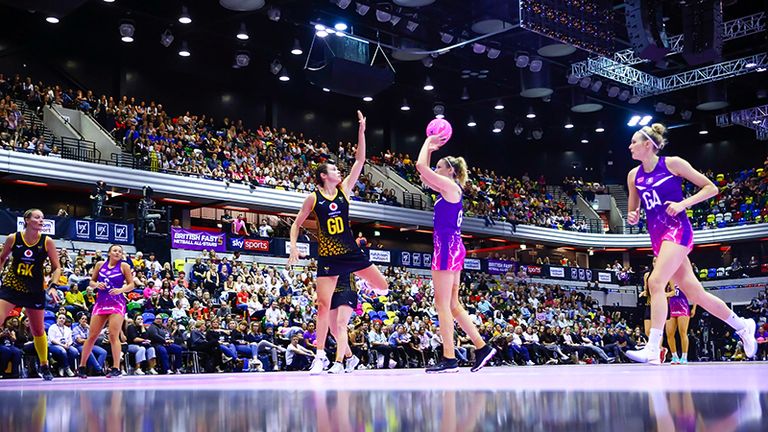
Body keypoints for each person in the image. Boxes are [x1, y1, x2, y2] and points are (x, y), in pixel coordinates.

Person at [624, 123, 756, 364]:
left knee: (655, 281)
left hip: (678, 231)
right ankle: (743, 326)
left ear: (647, 146)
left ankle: (654, 348)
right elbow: (633, 210)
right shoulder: (633, 175)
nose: (629, 146)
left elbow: (711, 187)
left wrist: (683, 204)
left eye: (634, 142)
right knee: (697, 294)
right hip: (658, 236)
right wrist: (632, 216)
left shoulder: (673, 163)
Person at [288, 110, 389, 375]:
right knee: (323, 306)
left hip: (351, 252)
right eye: (333, 169)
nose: (337, 170)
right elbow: (297, 223)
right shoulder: (313, 197)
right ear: (323, 176)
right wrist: (294, 246)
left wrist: (361, 131)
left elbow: (360, 159)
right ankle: (320, 356)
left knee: (384, 286)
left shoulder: (344, 190)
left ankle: (368, 288)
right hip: (329, 256)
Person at [415, 135, 496, 373]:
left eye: (439, 167)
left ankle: (449, 357)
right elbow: (423, 174)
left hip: (446, 246)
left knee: (441, 304)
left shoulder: (449, 187)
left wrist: (427, 141)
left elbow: (420, 167)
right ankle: (482, 347)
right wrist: (429, 151)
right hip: (454, 246)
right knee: (452, 304)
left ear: (449, 170)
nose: (434, 170)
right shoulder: (449, 187)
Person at [0, 208, 61, 380]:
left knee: (38, 329)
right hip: (12, 285)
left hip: (34, 289)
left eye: (43, 218)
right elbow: (2, 258)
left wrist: (54, 285)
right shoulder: (14, 238)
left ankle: (44, 365)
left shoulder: (47, 241)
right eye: (37, 217)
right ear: (27, 220)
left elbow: (57, 267)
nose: (41, 220)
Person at [76, 244, 135, 378]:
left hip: (117, 303)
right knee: (92, 336)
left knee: (113, 335)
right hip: (101, 302)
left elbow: (131, 285)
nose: (117, 253)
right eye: (115, 250)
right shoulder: (99, 264)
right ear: (109, 253)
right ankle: (82, 367)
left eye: (120, 251)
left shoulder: (124, 266)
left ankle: (116, 368)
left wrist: (120, 290)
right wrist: (97, 285)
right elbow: (91, 281)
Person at [326, 273, 361, 374]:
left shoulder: (350, 257)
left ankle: (339, 362)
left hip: (347, 289)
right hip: (332, 291)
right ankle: (350, 358)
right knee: (333, 330)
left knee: (341, 325)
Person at [666, 285, 696, 364]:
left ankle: (684, 356)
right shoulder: (668, 279)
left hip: (683, 308)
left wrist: (694, 308)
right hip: (671, 308)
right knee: (669, 333)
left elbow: (695, 294)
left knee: (682, 333)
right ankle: (674, 356)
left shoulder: (683, 279)